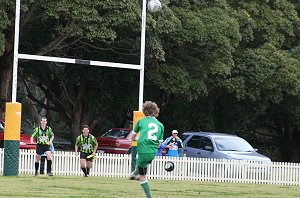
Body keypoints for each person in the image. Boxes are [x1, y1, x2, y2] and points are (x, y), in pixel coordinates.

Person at [128, 101, 164, 198]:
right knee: (142, 164)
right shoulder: (160, 125)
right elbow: (159, 144)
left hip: (143, 150)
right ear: (155, 112)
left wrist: (138, 139)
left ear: (144, 111)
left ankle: (149, 197)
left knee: (142, 177)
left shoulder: (141, 121)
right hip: (153, 153)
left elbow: (131, 138)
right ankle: (133, 174)